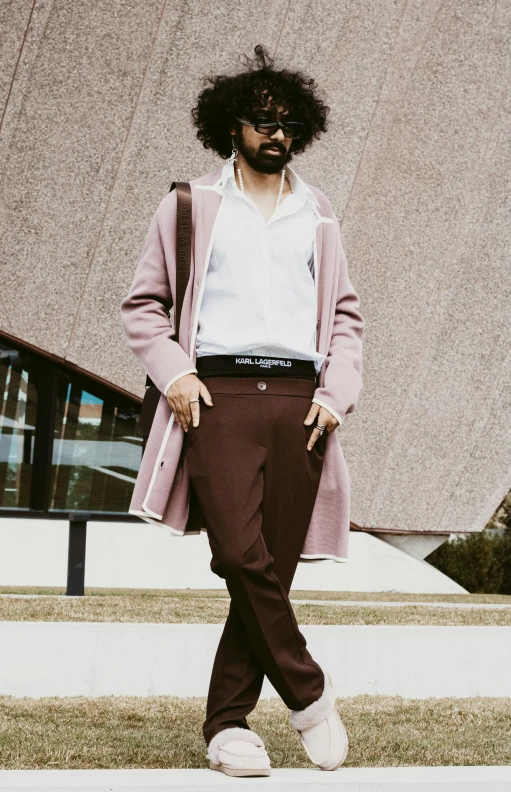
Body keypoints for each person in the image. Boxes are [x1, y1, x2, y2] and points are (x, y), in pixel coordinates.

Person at [120, 44, 364, 777]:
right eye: (263, 121)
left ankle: (228, 728)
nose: (277, 134)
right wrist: (176, 375)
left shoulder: (317, 212)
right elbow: (143, 307)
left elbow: (346, 318)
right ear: (232, 126)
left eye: (289, 123)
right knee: (238, 553)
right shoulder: (190, 205)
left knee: (271, 569)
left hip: (300, 405)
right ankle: (309, 692)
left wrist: (335, 394)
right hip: (215, 399)